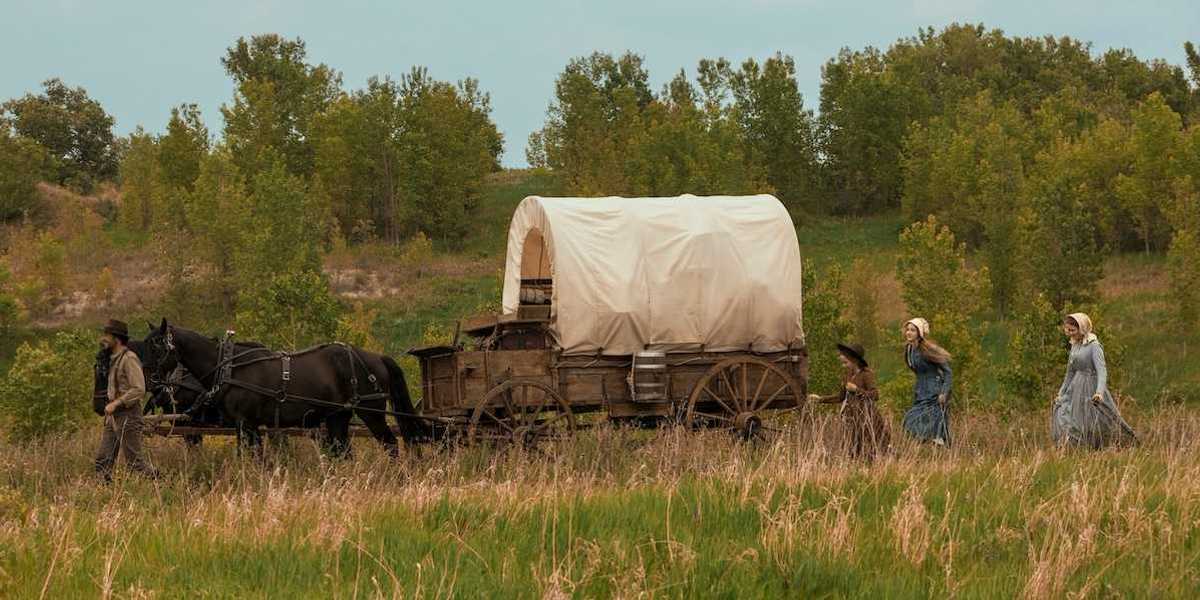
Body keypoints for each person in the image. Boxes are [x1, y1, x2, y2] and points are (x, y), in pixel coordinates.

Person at [1051, 313, 1137, 448]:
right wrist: (1061, 392)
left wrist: (1099, 392)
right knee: (1070, 417)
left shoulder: (1094, 346)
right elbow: (1070, 372)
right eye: (1067, 330)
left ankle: (1120, 443)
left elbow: (1102, 371)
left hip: (1090, 386)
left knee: (1099, 420)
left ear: (1083, 328)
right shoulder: (1074, 345)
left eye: (1072, 330)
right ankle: (1078, 448)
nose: (1069, 334)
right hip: (1076, 388)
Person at [94, 319, 159, 481]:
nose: (104, 339)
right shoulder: (111, 358)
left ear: (116, 338)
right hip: (113, 417)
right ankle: (105, 494)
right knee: (103, 460)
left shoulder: (129, 359)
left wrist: (116, 403)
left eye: (107, 336)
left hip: (128, 415)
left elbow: (139, 389)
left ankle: (162, 484)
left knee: (135, 464)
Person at [808, 342, 891, 460]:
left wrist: (856, 390)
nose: (841, 357)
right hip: (851, 418)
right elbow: (840, 397)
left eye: (844, 355)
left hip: (866, 418)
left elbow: (875, 395)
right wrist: (820, 399)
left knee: (873, 448)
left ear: (855, 359)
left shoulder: (866, 374)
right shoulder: (848, 374)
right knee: (852, 450)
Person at [901, 318, 953, 446]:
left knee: (935, 423)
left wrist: (944, 392)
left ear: (919, 333)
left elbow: (948, 372)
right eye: (907, 330)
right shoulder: (908, 350)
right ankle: (928, 443)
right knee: (910, 419)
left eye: (912, 330)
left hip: (934, 391)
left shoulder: (928, 349)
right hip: (920, 391)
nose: (908, 332)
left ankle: (939, 447)